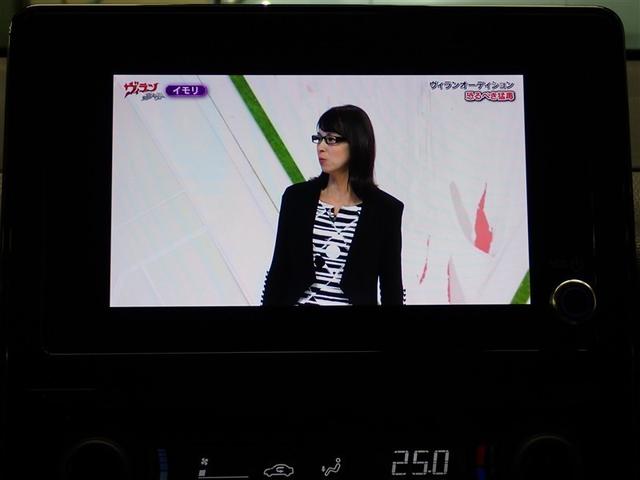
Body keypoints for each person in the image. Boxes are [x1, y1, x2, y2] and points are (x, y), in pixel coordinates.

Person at [262, 104, 404, 306]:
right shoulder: (296, 198)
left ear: (356, 143)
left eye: (330, 139)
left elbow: (392, 287)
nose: (320, 147)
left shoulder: (385, 210)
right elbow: (279, 271)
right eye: (318, 138)